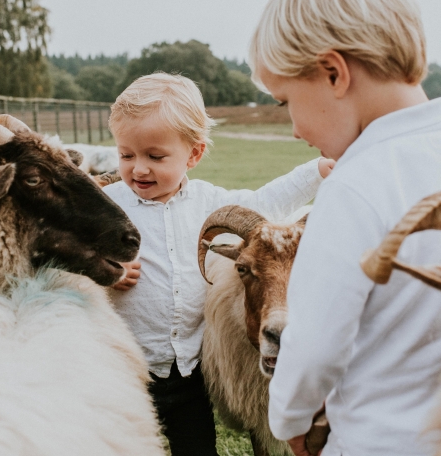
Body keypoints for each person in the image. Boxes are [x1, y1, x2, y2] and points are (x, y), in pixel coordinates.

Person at [250, 0, 441, 456]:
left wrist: (290, 419)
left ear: (333, 73)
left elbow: (315, 343)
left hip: (381, 441)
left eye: (285, 103)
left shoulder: (353, 185)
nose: (295, 129)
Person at [103, 72, 334, 456]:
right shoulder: (108, 206)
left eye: (155, 157)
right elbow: (68, 250)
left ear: (193, 154)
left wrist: (317, 171)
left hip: (190, 371)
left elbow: (267, 201)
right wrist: (105, 270)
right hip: (126, 369)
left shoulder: (209, 202)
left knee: (197, 448)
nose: (138, 169)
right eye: (126, 155)